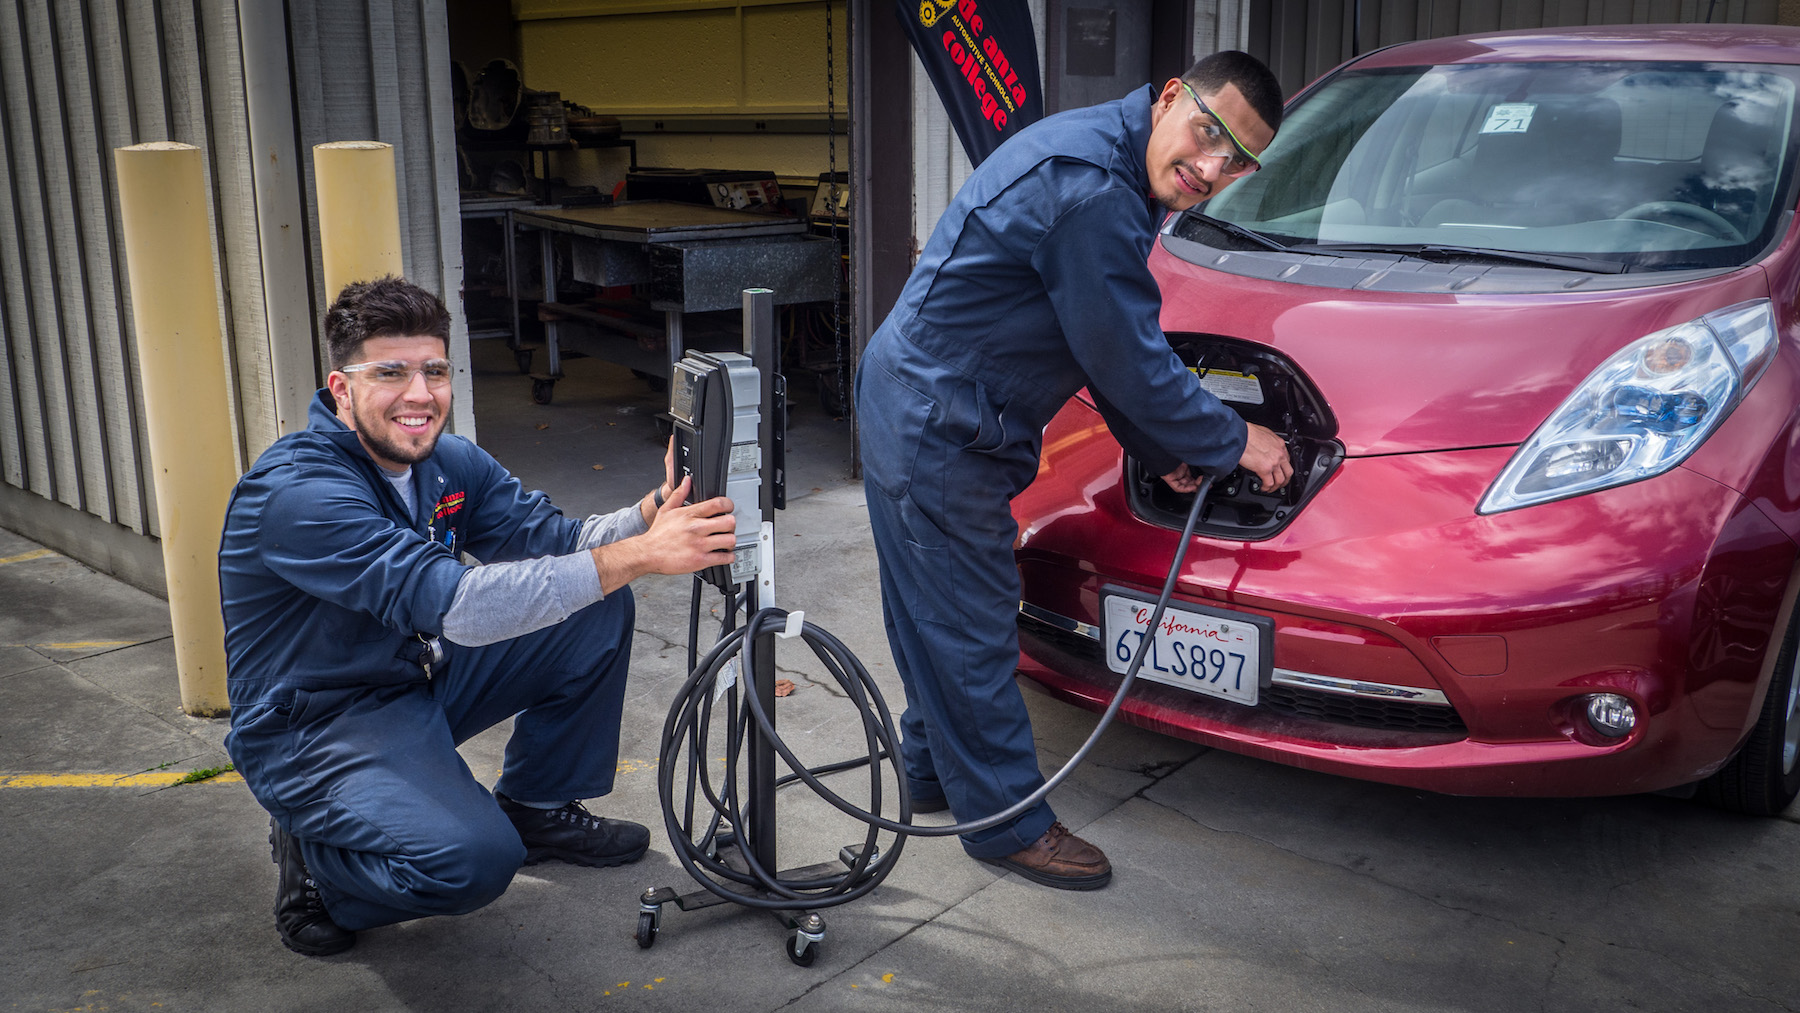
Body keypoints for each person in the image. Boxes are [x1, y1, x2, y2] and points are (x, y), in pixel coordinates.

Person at [855, 51, 1292, 890]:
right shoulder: (1096, 190)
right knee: (973, 622)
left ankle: (932, 771)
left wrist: (1165, 451)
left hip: (914, 394)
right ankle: (1007, 823)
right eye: (1207, 133)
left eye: (1237, 160)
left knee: (927, 609)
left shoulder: (1110, 154)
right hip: (938, 422)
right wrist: (1236, 441)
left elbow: (1100, 339)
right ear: (1171, 98)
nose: (1211, 168)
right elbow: (1129, 361)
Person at [218, 276, 737, 956]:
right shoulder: (300, 494)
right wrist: (642, 554)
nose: (419, 394)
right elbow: (458, 605)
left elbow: (565, 543)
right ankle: (318, 861)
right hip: (317, 724)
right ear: (341, 390)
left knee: (592, 606)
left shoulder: (446, 462)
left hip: (411, 678)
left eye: (434, 370)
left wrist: (652, 512)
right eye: (391, 373)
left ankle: (538, 805)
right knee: (473, 862)